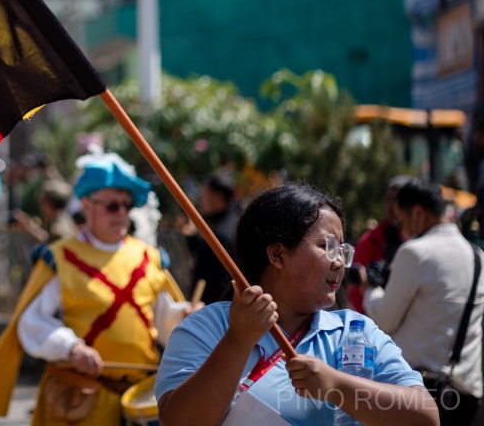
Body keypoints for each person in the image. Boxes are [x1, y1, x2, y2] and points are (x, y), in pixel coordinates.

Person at [156, 182, 437, 426]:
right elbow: (178, 421)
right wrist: (238, 340)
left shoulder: (355, 331)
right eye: (327, 246)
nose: (339, 262)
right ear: (278, 254)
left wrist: (336, 385)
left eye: (342, 250)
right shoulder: (205, 329)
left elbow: (425, 417)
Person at [0, 154, 194, 425]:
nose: (121, 213)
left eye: (126, 205)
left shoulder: (148, 257)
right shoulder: (61, 258)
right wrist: (71, 348)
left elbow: (163, 316)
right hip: (81, 398)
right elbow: (32, 321)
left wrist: (186, 317)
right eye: (112, 206)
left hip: (140, 398)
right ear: (87, 206)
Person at [363, 178, 484, 425]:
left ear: (417, 213)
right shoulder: (478, 256)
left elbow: (385, 320)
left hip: (422, 394)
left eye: (403, 220)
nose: (403, 230)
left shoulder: (415, 252)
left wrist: (370, 289)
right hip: (468, 396)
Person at [346, 175, 412, 312]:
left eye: (396, 200)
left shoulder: (420, 241)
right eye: (388, 199)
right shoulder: (370, 240)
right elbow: (356, 293)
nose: (390, 205)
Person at [185, 173, 239, 305]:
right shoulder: (230, 224)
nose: (200, 199)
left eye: (204, 193)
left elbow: (216, 282)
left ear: (218, 196)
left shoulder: (222, 234)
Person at [11, 180, 77, 245]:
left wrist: (28, 228)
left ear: (51, 204)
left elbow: (50, 244)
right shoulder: (58, 218)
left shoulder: (58, 228)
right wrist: (29, 225)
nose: (40, 205)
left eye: (43, 201)